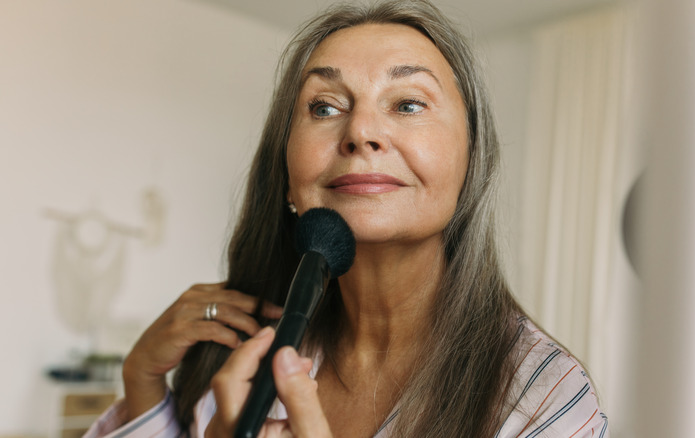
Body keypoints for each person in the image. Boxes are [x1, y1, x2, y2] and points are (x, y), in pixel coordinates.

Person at [86, 0, 609, 437]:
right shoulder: (230, 359)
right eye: (325, 107)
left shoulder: (547, 400)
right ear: (288, 173)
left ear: (472, 159)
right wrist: (142, 389)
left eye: (407, 104)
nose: (360, 131)